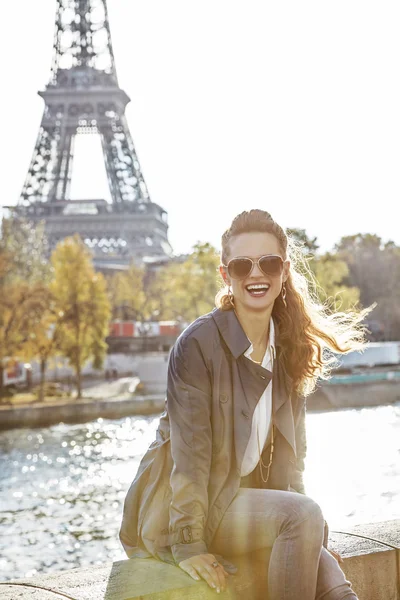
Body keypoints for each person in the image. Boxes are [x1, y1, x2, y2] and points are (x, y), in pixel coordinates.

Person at [120, 209, 367, 599]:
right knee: (303, 517)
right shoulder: (198, 345)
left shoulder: (290, 347)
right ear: (226, 275)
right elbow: (190, 457)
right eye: (241, 266)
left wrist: (313, 539)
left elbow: (293, 457)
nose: (256, 275)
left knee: (314, 536)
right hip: (186, 511)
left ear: (284, 271)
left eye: (268, 263)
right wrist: (188, 543)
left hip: (246, 506)